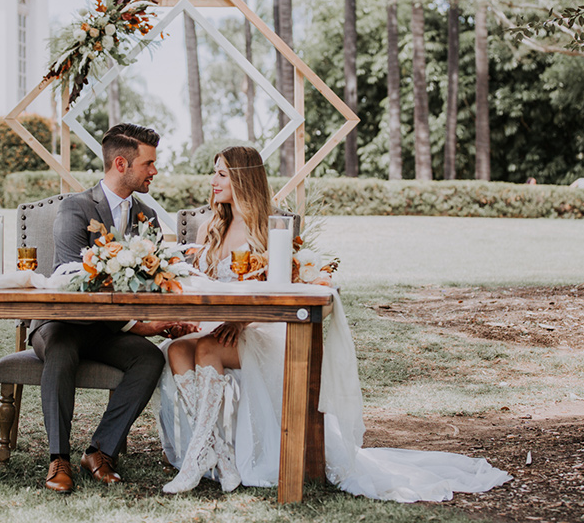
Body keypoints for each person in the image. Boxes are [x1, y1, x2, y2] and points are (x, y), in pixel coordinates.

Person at [158, 146, 512, 501]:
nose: (213, 181)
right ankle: (218, 453)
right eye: (214, 173)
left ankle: (196, 463)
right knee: (176, 350)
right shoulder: (209, 228)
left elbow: (280, 285)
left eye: (221, 174)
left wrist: (243, 320)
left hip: (260, 328)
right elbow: (201, 287)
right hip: (218, 326)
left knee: (205, 349)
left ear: (242, 179)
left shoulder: (268, 228)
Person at [31, 123, 197, 493]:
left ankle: (100, 451)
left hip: (108, 330)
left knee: (149, 359)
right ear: (121, 164)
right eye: (149, 163)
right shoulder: (75, 208)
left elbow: (152, 281)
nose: (154, 171)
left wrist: (166, 319)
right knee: (61, 347)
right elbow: (74, 282)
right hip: (62, 323)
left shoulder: (147, 217)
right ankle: (58, 458)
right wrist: (140, 326)